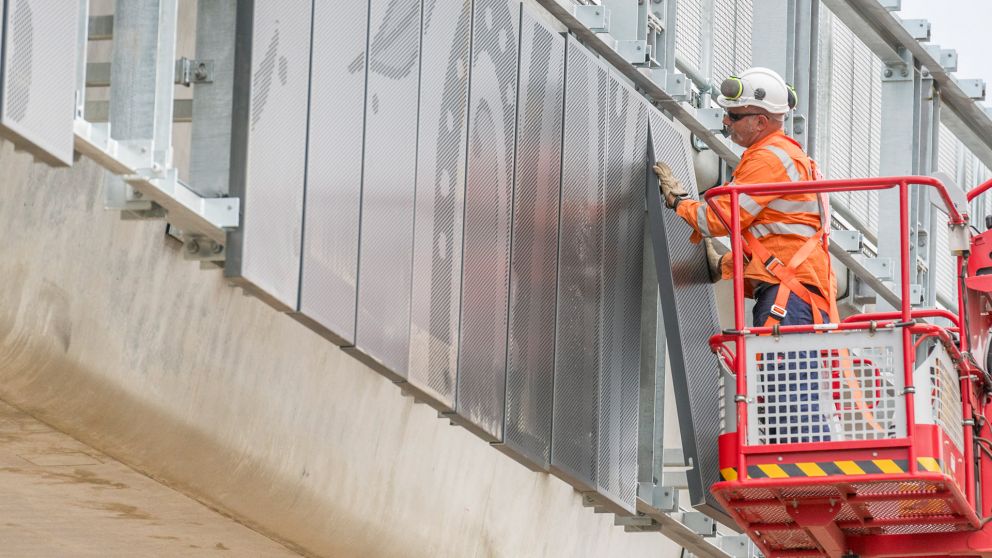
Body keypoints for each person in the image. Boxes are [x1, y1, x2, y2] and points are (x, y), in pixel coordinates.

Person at [654, 66, 837, 327]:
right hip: (796, 290)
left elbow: (717, 221)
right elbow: (778, 238)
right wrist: (725, 265)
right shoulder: (783, 156)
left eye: (734, 115)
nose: (726, 121)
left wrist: (678, 201)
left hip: (788, 294)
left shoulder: (768, 158)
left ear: (761, 122)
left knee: (781, 367)